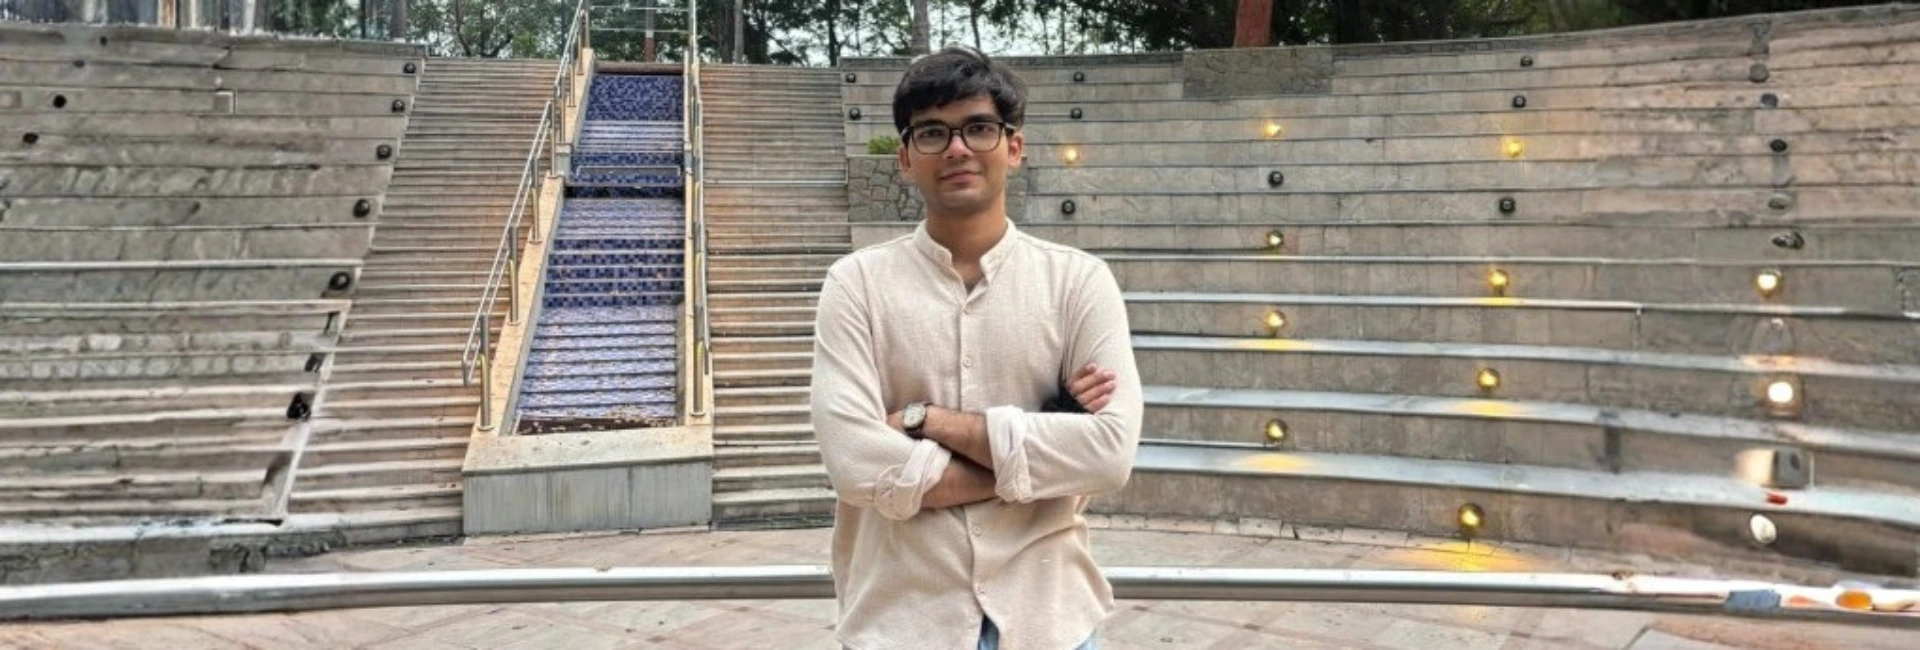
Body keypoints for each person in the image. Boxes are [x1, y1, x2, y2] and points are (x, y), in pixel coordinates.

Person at [810, 45, 1144, 650]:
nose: (958, 148)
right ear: (905, 158)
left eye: (979, 128)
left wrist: (925, 421)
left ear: (1013, 147)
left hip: (1050, 621)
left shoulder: (1079, 282)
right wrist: (1040, 447)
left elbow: (1109, 455)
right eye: (932, 132)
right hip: (902, 625)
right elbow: (855, 463)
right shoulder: (855, 284)